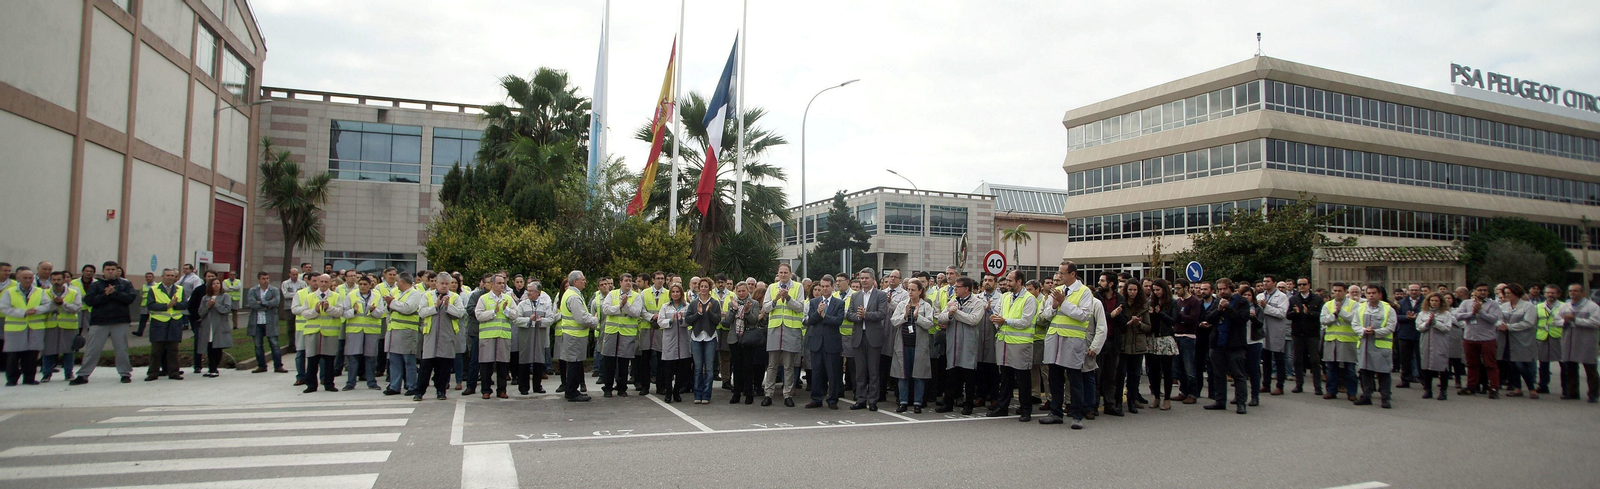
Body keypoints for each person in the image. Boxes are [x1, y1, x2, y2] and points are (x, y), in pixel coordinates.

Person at [1039, 261, 1105, 429]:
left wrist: (1063, 303)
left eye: (1063, 273)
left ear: (1073, 274)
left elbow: (1083, 315)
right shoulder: (1057, 291)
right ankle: (1056, 413)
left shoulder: (1084, 292)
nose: (1059, 276)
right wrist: (1054, 306)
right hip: (1055, 339)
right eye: (1059, 272)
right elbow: (1045, 315)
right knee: (1054, 378)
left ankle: (1077, 415)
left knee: (1075, 380)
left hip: (1073, 340)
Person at [989, 270, 1038, 420]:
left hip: (1020, 344)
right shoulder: (1005, 296)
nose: (1007, 283)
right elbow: (997, 313)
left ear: (1019, 282)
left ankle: (1025, 409)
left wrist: (1005, 321)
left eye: (1010, 281)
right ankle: (1003, 407)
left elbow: (1025, 321)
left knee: (1023, 379)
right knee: (1005, 377)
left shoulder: (1029, 299)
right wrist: (996, 321)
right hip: (1004, 342)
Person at [934, 276, 984, 414]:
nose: (955, 289)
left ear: (966, 288)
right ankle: (948, 403)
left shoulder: (977, 303)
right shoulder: (953, 301)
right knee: (951, 376)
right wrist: (950, 314)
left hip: (968, 345)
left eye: (958, 287)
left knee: (969, 377)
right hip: (953, 344)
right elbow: (941, 318)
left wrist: (956, 312)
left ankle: (968, 405)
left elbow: (973, 320)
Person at [1203, 278, 1252, 414]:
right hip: (1217, 343)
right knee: (1218, 374)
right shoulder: (1217, 301)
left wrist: (1228, 308)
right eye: (1219, 289)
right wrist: (1219, 310)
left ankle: (1241, 402)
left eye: (1224, 289)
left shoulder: (1242, 301)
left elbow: (1242, 318)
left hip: (1235, 344)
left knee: (1238, 375)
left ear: (1231, 288)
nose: (1222, 292)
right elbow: (1208, 317)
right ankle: (1220, 401)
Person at [417, 273, 466, 401]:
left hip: (447, 336)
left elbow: (460, 313)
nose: (444, 286)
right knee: (426, 366)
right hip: (431, 336)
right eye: (442, 283)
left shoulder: (455, 297)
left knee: (444, 367)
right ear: (436, 283)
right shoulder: (427, 296)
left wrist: (448, 306)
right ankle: (419, 392)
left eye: (446, 284)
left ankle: (441, 391)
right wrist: (435, 306)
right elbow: (421, 312)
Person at [762, 264, 805, 408]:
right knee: (772, 365)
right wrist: (775, 300)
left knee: (788, 366)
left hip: (791, 330)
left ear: (790, 273)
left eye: (786, 272)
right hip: (775, 329)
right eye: (781, 272)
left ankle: (787, 394)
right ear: (778, 273)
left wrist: (788, 298)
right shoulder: (772, 287)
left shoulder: (798, 287)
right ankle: (768, 394)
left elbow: (800, 307)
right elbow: (766, 308)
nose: (783, 275)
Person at [889, 278, 935, 414]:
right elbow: (894, 321)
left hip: (919, 345)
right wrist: (904, 315)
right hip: (903, 345)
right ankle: (903, 401)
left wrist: (917, 317)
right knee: (902, 374)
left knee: (919, 375)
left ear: (920, 291)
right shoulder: (902, 304)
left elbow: (929, 324)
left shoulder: (926, 306)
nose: (910, 292)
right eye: (909, 289)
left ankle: (917, 403)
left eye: (913, 290)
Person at [294, 273, 345, 393]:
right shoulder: (310, 296)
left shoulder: (335, 296)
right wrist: (315, 311)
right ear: (317, 282)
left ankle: (329, 384)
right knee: (312, 360)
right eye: (321, 281)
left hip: (329, 332)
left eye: (326, 282)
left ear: (330, 283)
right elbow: (304, 313)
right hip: (313, 332)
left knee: (329, 360)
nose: (323, 284)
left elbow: (340, 312)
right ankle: (311, 385)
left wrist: (328, 309)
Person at [802, 275, 845, 409]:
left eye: (827, 286)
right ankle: (816, 399)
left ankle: (832, 400)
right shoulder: (814, 302)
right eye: (822, 286)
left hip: (831, 343)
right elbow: (810, 321)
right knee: (816, 373)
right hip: (816, 342)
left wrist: (825, 316)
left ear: (832, 287)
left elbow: (838, 321)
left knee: (832, 373)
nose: (824, 289)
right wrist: (818, 312)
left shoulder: (839, 303)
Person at [474, 275, 520, 400]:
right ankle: (486, 390)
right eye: (499, 283)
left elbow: (516, 314)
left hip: (503, 335)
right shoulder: (484, 298)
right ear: (492, 284)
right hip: (488, 336)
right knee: (486, 365)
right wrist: (494, 312)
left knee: (503, 364)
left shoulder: (508, 298)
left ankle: (502, 390)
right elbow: (478, 315)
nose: (502, 285)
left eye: (503, 283)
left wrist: (506, 310)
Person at [556, 271, 598, 402]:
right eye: (583, 280)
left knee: (575, 363)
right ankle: (571, 392)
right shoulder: (574, 297)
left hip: (573, 334)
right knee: (574, 364)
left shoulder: (570, 294)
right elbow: (581, 318)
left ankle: (572, 390)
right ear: (575, 281)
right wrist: (595, 320)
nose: (585, 282)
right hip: (575, 335)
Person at [1352, 284, 1397, 408]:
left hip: (1381, 346)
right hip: (1365, 344)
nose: (1371, 295)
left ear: (1380, 295)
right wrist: (1363, 330)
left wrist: (1376, 332)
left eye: (1374, 293)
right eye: (1369, 293)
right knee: (1365, 371)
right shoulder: (1360, 308)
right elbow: (1355, 324)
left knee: (1383, 372)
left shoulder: (1388, 309)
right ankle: (1366, 396)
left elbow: (1391, 327)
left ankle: (1385, 397)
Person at [140, 268, 187, 382]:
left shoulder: (180, 289)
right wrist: (167, 306)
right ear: (162, 276)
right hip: (158, 323)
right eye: (167, 275)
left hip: (174, 323)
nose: (170, 277)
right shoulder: (154, 289)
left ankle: (174, 372)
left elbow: (185, 304)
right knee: (156, 351)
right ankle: (153, 373)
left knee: (173, 350)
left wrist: (175, 305)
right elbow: (150, 305)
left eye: (172, 275)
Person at [2, 267, 47, 385]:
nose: (28, 280)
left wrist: (37, 310)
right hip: (15, 328)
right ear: (18, 278)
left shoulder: (40, 291)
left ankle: (29, 378)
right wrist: (23, 312)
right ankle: (12, 378)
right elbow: (4, 308)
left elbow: (47, 305)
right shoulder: (10, 292)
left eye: (30, 278)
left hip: (34, 328)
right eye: (25, 278)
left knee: (31, 355)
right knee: (13, 355)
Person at [1455, 284, 1501, 398]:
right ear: (1474, 291)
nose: (1483, 292)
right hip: (1470, 338)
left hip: (1487, 339)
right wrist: (1471, 313)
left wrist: (1480, 311)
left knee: (1490, 364)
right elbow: (1458, 316)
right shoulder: (1466, 303)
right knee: (1471, 364)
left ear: (1488, 292)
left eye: (1485, 290)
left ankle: (1494, 388)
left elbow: (1493, 319)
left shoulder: (1493, 304)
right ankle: (1471, 386)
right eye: (1480, 290)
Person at [1557, 284, 1599, 402]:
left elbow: (1596, 322)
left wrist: (1576, 320)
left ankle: (1593, 394)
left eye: (1575, 291)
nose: (1572, 293)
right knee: (1570, 368)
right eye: (1570, 291)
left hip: (1586, 341)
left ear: (1583, 292)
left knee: (1590, 369)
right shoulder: (1565, 306)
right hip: (1569, 341)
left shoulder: (1592, 306)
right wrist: (1564, 322)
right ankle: (1572, 392)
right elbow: (1556, 320)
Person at [1114, 280, 1151, 413]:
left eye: (1135, 290)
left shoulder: (1143, 306)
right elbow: (1117, 324)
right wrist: (1128, 323)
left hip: (1137, 345)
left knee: (1134, 375)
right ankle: (1118, 402)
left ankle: (1132, 401)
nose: (1132, 292)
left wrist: (1139, 324)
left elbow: (1148, 327)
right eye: (1130, 290)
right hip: (1123, 344)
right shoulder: (1121, 304)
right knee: (1120, 375)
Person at [342, 276, 385, 390]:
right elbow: (344, 313)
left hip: (371, 330)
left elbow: (381, 313)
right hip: (355, 330)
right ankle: (350, 382)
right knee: (353, 357)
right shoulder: (351, 295)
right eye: (360, 284)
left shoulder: (377, 296)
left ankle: (371, 382)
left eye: (365, 284)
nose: (362, 286)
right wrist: (354, 311)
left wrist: (373, 310)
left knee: (371, 357)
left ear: (370, 285)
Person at [1496, 284, 1538, 398]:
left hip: (1522, 339)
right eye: (1505, 293)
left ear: (1516, 293)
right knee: (1512, 364)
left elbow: (1528, 323)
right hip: (1507, 339)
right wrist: (1500, 324)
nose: (1507, 295)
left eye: (1509, 293)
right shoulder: (1504, 306)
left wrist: (1509, 327)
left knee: (1521, 365)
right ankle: (1517, 388)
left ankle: (1532, 389)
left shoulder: (1528, 306)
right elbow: (1498, 318)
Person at [38, 271, 81, 383]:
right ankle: (46, 374)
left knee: (68, 351)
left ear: (64, 280)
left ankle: (69, 373)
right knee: (48, 350)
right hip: (50, 325)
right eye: (54, 280)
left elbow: (77, 307)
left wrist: (63, 303)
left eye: (59, 279)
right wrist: (54, 304)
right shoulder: (44, 292)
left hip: (68, 325)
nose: (56, 282)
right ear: (50, 280)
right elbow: (41, 308)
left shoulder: (73, 292)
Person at [1320, 283, 1360, 400]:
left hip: (1348, 340)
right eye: (1335, 291)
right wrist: (1334, 314)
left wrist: (1341, 312)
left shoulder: (1354, 304)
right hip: (1332, 340)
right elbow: (1323, 320)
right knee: (1331, 368)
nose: (1337, 293)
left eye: (1339, 291)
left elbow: (1354, 319)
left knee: (1350, 368)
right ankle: (1331, 391)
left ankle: (1352, 393)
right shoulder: (1328, 304)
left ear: (1345, 291)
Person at [724, 282, 763, 404]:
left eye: (743, 291)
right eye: (739, 291)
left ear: (748, 291)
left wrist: (747, 312)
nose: (741, 293)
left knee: (748, 366)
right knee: (736, 366)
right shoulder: (732, 303)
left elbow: (754, 320)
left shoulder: (754, 303)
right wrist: (734, 309)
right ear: (736, 292)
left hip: (748, 338)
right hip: (734, 338)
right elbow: (727, 321)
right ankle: (736, 393)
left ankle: (748, 393)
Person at [686, 279, 722, 404]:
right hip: (696, 338)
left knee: (709, 368)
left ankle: (706, 395)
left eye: (706, 286)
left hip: (710, 338)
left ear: (710, 288)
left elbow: (717, 320)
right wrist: (699, 313)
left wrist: (709, 312)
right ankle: (697, 394)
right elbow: (688, 319)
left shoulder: (714, 303)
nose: (703, 288)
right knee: (697, 368)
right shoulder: (693, 303)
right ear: (699, 288)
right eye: (701, 286)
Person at [515, 281, 554, 395]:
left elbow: (551, 319)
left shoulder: (545, 305)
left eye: (531, 291)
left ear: (538, 292)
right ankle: (523, 387)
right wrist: (528, 320)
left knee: (538, 360)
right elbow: (516, 319)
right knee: (524, 360)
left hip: (539, 336)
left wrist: (541, 321)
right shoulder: (522, 305)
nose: (529, 293)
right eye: (528, 290)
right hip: (526, 336)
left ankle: (537, 386)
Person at [1286, 277, 1324, 395]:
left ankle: (1318, 387)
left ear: (1309, 285)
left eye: (1304, 284)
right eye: (1299, 284)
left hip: (1312, 334)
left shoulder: (1317, 299)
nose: (1301, 286)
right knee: (1297, 360)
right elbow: (1288, 315)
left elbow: (1322, 315)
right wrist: (1295, 313)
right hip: (1298, 333)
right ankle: (1299, 384)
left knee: (1315, 360)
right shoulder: (1293, 299)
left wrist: (1309, 313)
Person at [1146, 279, 1179, 410]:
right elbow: (1149, 321)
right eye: (1154, 290)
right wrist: (1151, 314)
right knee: (1154, 370)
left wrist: (1161, 313)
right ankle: (1156, 396)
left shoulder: (1172, 303)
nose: (1156, 292)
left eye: (1158, 290)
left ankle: (1167, 398)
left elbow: (1173, 320)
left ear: (1164, 289)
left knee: (1167, 370)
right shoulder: (1151, 302)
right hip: (1153, 337)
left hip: (1166, 338)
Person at [243, 271, 285, 374]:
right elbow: (252, 304)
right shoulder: (253, 291)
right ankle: (261, 366)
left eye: (267, 278)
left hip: (270, 321)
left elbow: (276, 302)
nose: (266, 281)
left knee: (274, 344)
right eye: (263, 279)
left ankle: (278, 366)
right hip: (257, 321)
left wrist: (261, 302)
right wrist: (268, 305)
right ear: (259, 279)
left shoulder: (274, 290)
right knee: (258, 345)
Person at [636, 271, 667, 396]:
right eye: (658, 278)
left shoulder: (668, 293)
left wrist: (660, 317)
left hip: (661, 329)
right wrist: (651, 316)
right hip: (647, 328)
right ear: (653, 280)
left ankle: (661, 386)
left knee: (661, 359)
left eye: (662, 278)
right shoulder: (644, 293)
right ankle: (645, 386)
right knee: (645, 359)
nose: (660, 280)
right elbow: (641, 309)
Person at [1171, 278, 1203, 404]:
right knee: (1178, 368)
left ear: (1186, 288)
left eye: (1179, 288)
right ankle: (1183, 391)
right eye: (1176, 288)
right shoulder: (1178, 302)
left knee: (1189, 368)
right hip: (1177, 335)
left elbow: (1193, 319)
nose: (1177, 291)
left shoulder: (1194, 302)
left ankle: (1192, 393)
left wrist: (1180, 316)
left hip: (1188, 337)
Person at [194, 278, 234, 377]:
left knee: (217, 347)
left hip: (219, 326)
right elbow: (200, 312)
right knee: (209, 347)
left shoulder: (225, 296)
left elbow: (226, 310)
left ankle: (214, 368)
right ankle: (211, 368)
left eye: (218, 283)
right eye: (214, 284)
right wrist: (208, 306)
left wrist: (215, 304)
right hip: (207, 326)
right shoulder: (205, 298)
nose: (216, 285)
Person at [1417, 293, 1452, 400]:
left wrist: (1435, 323)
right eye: (1432, 300)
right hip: (1426, 342)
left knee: (1442, 366)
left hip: (1440, 342)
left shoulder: (1446, 314)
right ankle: (1428, 390)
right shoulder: (1423, 313)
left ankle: (1443, 391)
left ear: (1441, 302)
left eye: (1436, 301)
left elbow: (1447, 328)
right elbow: (1419, 327)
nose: (1434, 303)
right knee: (1426, 366)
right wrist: (1427, 323)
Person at [1534, 285, 1564, 395]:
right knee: (1543, 363)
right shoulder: (1539, 306)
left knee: (1563, 363)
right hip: (1542, 336)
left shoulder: (1564, 306)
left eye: (1553, 293)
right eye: (1548, 292)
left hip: (1558, 336)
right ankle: (1543, 385)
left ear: (1558, 294)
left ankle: (1566, 387)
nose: (1550, 295)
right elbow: (1535, 321)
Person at [1394, 284, 1425, 388]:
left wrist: (1418, 317)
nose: (1414, 292)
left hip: (1419, 333)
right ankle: (1405, 380)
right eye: (1412, 290)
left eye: (1416, 290)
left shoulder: (1425, 302)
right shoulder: (1402, 303)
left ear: (1420, 291)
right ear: (1408, 291)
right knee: (1405, 359)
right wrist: (1406, 317)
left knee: (1421, 358)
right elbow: (1396, 317)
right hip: (1405, 333)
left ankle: (1424, 380)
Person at [133, 271, 155, 337]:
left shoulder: (157, 286)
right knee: (142, 320)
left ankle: (153, 332)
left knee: (153, 320)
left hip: (153, 305)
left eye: (150, 277)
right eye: (147, 277)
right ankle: (140, 332)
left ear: (153, 278)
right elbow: (141, 294)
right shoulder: (143, 286)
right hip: (144, 305)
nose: (148, 278)